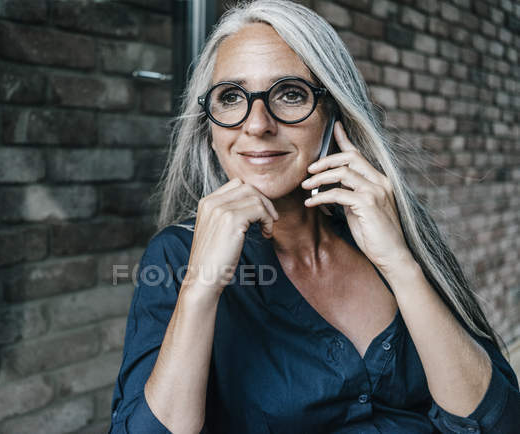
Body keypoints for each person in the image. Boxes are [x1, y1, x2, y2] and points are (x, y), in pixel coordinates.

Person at [108, 1, 520, 432]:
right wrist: (201, 288)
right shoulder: (175, 259)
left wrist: (400, 265)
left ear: (333, 113)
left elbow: (500, 420)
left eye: (290, 93)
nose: (257, 124)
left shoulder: (391, 225)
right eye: (231, 97)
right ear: (209, 130)